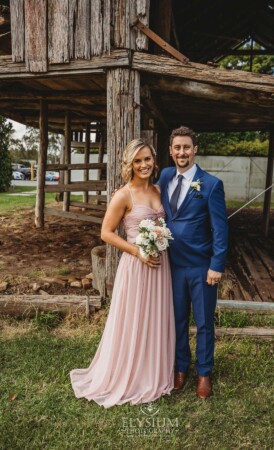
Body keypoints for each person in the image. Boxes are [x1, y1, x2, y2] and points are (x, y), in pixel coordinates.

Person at [70, 139, 175, 408]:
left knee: (155, 318)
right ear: (130, 164)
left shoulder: (160, 190)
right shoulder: (123, 195)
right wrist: (138, 251)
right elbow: (105, 233)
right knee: (134, 319)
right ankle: (129, 375)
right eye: (138, 161)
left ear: (154, 161)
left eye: (148, 159)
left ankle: (153, 372)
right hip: (136, 266)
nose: (144, 165)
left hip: (160, 267)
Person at [157, 126, 228, 399]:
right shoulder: (164, 177)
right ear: (171, 151)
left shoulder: (211, 185)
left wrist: (217, 265)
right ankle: (181, 368)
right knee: (176, 320)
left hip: (201, 267)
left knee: (203, 322)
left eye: (186, 147)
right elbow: (143, 190)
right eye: (177, 148)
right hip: (172, 266)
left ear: (195, 150)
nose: (182, 152)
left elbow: (221, 230)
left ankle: (204, 373)